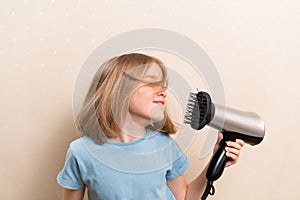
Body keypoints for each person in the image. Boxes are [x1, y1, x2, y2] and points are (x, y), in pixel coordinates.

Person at [57, 53, 244, 200]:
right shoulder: (81, 153)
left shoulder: (164, 146)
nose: (163, 90)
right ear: (118, 90)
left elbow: (185, 198)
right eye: (152, 82)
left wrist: (215, 160)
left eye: (163, 84)